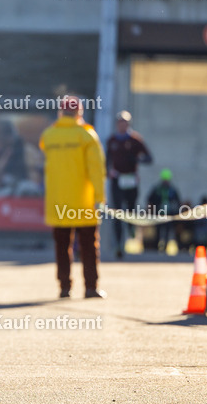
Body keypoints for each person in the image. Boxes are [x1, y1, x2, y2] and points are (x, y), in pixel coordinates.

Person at [39, 96, 107, 299]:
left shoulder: (49, 135)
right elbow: (96, 170)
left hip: (58, 202)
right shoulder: (86, 136)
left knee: (62, 247)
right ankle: (91, 287)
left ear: (60, 112)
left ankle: (64, 288)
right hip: (84, 202)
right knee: (88, 247)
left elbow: (44, 146)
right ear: (79, 113)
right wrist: (100, 198)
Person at [105, 110, 153, 259]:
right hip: (117, 180)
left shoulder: (135, 140)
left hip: (131, 180)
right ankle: (119, 244)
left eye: (124, 123)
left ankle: (131, 228)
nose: (122, 125)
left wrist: (137, 160)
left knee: (130, 208)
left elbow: (149, 158)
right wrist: (108, 172)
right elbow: (106, 160)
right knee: (117, 212)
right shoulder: (112, 140)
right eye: (120, 123)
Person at [146, 169, 181, 253]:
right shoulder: (157, 189)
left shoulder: (172, 190)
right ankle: (156, 248)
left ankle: (164, 248)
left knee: (167, 231)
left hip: (169, 214)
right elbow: (150, 199)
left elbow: (177, 201)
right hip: (158, 214)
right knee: (158, 232)